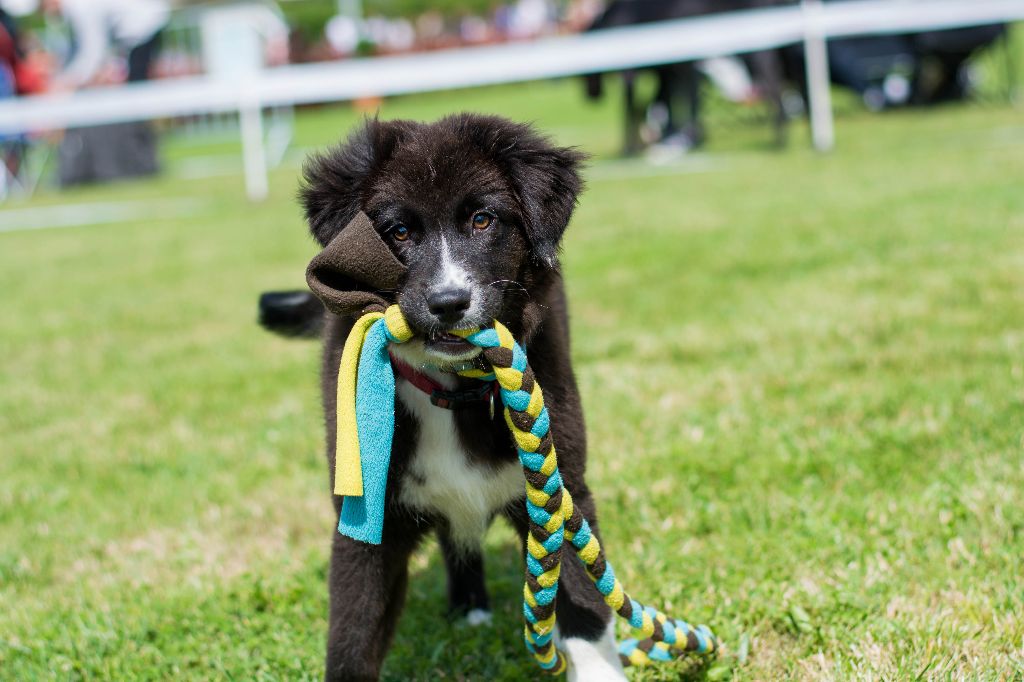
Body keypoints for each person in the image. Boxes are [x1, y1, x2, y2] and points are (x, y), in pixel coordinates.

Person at [42, 0, 171, 187]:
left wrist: (66, 82)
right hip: (138, 32)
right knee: (132, 100)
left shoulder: (80, 8)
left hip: (142, 31)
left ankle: (139, 160)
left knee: (135, 102)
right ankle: (137, 160)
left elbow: (93, 52)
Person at [44, 0, 170, 87]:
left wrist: (68, 80)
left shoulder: (80, 7)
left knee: (137, 86)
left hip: (143, 28)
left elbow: (93, 51)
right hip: (145, 25)